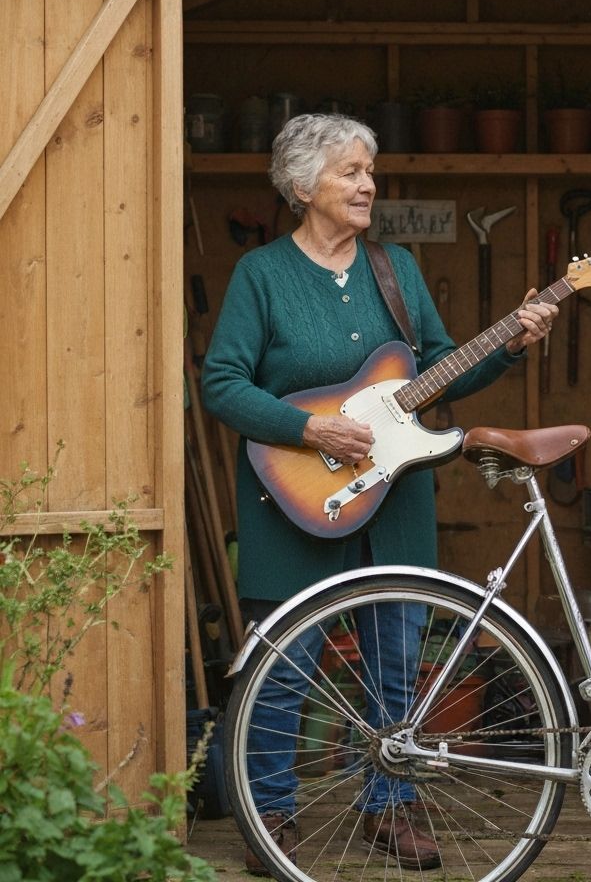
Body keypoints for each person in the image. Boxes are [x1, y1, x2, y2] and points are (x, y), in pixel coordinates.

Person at [201, 113, 557, 876]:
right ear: (303, 187)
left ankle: (388, 806)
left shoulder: (394, 269)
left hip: (392, 509)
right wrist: (310, 431)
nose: (368, 185)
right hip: (293, 506)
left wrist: (510, 343)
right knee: (282, 672)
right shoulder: (261, 275)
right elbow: (222, 384)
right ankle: (272, 815)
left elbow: (440, 373)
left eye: (370, 171)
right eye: (350, 172)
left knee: (397, 669)